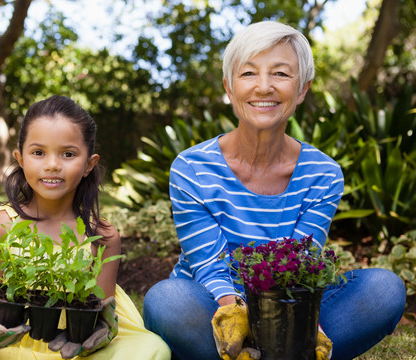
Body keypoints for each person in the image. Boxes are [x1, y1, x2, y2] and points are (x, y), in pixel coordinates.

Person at [143, 21, 406, 360]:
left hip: (289, 305)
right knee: (167, 300)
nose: (263, 87)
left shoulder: (323, 174)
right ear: (229, 86)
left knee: (384, 289)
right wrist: (237, 315)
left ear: (302, 90)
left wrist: (304, 324)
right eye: (248, 73)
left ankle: (274, 351)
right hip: (212, 303)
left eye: (280, 74)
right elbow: (210, 266)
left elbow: (302, 260)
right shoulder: (192, 168)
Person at [0, 95, 171, 360]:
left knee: (153, 350)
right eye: (38, 152)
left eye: (68, 154)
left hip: (73, 351)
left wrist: (101, 332)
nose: (52, 164)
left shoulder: (102, 236)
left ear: (89, 164)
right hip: (2, 350)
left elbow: (99, 312)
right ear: (21, 159)